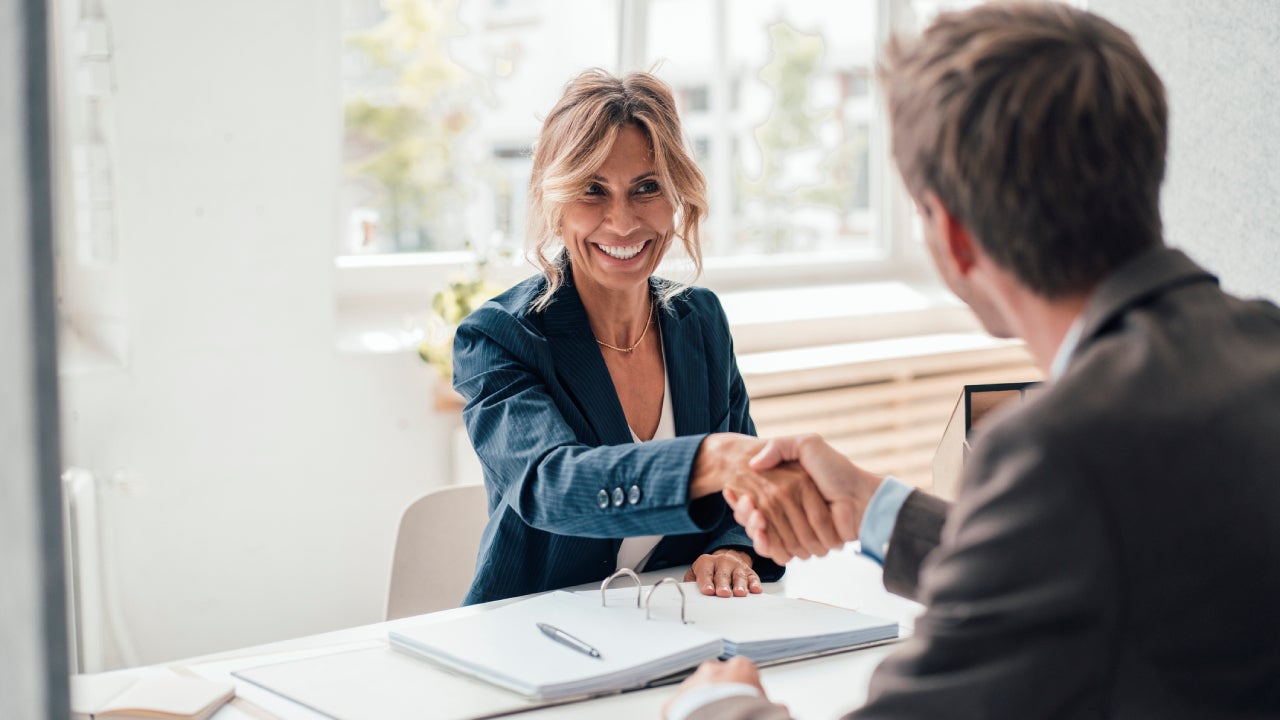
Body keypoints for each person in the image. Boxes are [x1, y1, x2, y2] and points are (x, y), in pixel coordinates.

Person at [668, 2, 1280, 718]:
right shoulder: (1260, 345)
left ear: (954, 238)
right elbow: (1100, 563)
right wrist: (874, 508)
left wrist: (721, 707)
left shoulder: (1060, 452)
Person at [453, 70, 837, 606]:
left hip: (674, 626)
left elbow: (737, 503)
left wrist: (733, 551)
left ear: (677, 195)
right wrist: (711, 459)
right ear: (554, 201)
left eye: (646, 188)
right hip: (535, 634)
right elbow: (552, 486)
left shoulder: (700, 321)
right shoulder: (498, 338)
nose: (623, 221)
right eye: (593, 190)